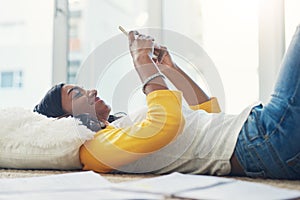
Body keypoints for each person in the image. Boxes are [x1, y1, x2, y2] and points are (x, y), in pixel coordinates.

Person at [34, 27, 300, 180]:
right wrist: (142, 61)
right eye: (77, 95)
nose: (91, 91)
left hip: (259, 135)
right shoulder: (94, 150)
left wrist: (170, 69)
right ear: (65, 121)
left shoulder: (119, 130)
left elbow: (208, 112)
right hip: (264, 141)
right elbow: (164, 124)